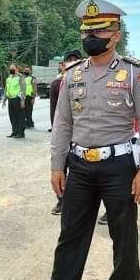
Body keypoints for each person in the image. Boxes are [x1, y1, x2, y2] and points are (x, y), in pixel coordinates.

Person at [23, 0, 140, 280]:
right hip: (80, 167)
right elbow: (62, 125)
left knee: (123, 238)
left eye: (98, 30)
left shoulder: (134, 73)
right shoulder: (72, 75)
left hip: (119, 168)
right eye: (86, 30)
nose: (90, 36)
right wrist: (57, 166)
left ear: (115, 35)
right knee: (70, 236)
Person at [51, 50, 82, 214]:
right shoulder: (57, 84)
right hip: (64, 134)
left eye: (76, 60)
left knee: (79, 170)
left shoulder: (88, 82)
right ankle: (61, 201)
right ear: (63, 64)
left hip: (81, 136)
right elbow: (54, 111)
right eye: (69, 60)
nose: (72, 62)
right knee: (61, 168)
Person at [4, 65, 26, 138]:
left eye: (12, 68)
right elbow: (6, 89)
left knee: (19, 117)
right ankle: (14, 132)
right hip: (10, 99)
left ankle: (21, 133)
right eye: (10, 68)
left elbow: (23, 89)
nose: (11, 69)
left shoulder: (20, 77)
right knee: (12, 117)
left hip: (17, 99)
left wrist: (22, 100)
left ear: (17, 69)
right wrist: (4, 100)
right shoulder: (8, 78)